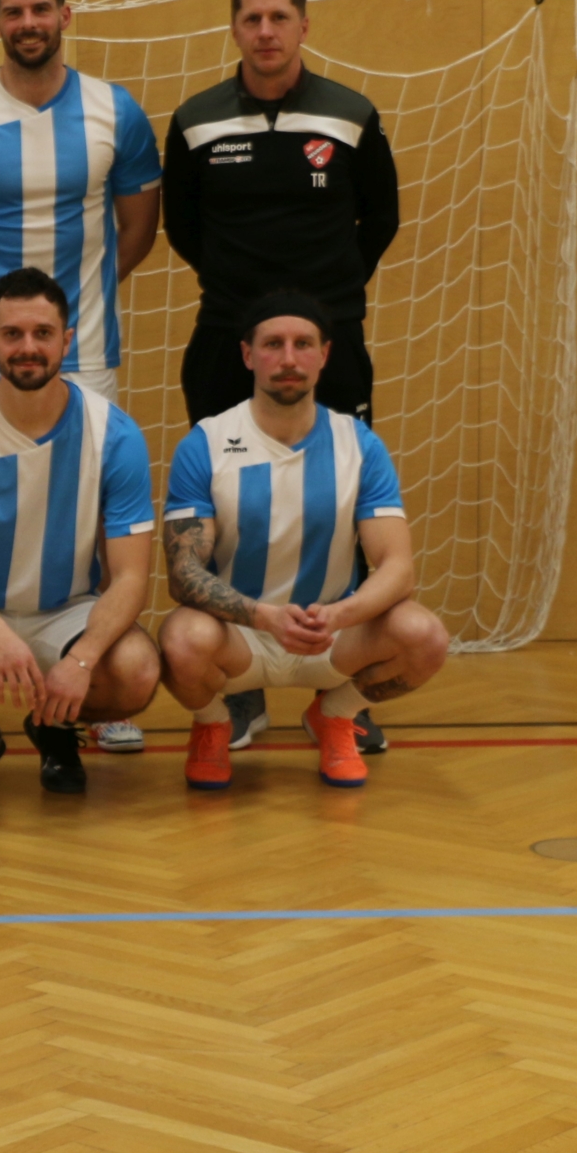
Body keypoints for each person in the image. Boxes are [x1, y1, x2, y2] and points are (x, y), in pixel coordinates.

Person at [0, 0, 163, 754]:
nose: (28, 23)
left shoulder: (115, 110)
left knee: (86, 517)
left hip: (83, 353)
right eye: (13, 10)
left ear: (65, 15)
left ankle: (88, 676)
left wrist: (66, 313)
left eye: (41, 8)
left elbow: (137, 228)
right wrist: (8, 323)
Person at [161, 0, 401, 757]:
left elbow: (381, 219)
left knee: (345, 507)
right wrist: (248, 304)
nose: (265, 31)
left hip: (335, 340)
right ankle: (242, 689)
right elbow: (184, 227)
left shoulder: (350, 114)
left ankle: (340, 697)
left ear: (304, 25)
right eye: (251, 18)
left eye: (279, 17)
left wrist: (320, 304)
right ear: (234, 28)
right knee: (227, 511)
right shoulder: (196, 119)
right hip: (225, 335)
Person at [156, 291, 449, 791]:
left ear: (324, 355)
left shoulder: (359, 445)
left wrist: (339, 615)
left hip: (328, 633)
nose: (288, 359)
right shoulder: (205, 443)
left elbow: (398, 568)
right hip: (240, 636)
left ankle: (335, 716)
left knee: (425, 636)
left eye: (303, 344)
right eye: (273, 344)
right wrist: (265, 617)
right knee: (181, 639)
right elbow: (184, 576)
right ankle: (212, 724)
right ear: (248, 355)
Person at [0, 269, 160, 799]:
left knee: (137, 671)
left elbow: (132, 578)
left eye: (43, 333)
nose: (27, 347)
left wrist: (82, 660)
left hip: (69, 611)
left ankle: (55, 726)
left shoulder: (115, 434)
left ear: (67, 340)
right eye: (12, 334)